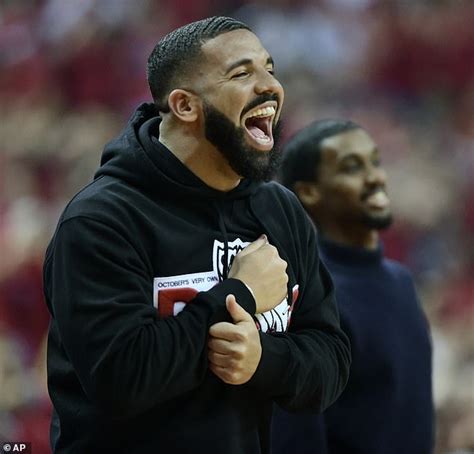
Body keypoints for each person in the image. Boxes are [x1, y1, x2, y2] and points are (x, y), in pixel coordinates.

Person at [43, 17, 351, 453]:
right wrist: (238, 295)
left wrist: (264, 360)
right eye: (242, 73)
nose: (271, 87)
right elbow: (121, 380)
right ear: (185, 106)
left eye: (270, 69)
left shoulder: (280, 211)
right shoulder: (101, 221)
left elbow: (332, 360)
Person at [272, 119, 434, 453]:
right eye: (352, 167)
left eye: (375, 161)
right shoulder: (306, 294)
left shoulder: (401, 280)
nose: (376, 177)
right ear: (309, 192)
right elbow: (296, 435)